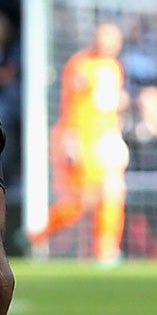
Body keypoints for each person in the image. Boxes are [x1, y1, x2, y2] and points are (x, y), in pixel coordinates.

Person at [43, 21, 131, 263]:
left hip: (108, 136)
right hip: (85, 138)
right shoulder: (81, 65)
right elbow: (72, 106)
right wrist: (72, 139)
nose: (109, 44)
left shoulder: (115, 66)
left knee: (114, 191)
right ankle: (38, 235)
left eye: (114, 39)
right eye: (105, 38)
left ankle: (107, 250)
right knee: (82, 201)